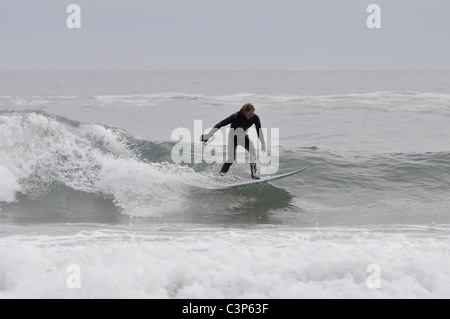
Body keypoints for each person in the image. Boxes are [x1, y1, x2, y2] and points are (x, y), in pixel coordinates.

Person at [201, 103, 266, 179]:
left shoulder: (255, 118)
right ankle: (221, 175)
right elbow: (220, 124)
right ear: (245, 112)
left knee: (253, 152)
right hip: (232, 138)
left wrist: (263, 143)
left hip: (244, 137)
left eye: (253, 114)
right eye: (250, 114)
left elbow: (259, 131)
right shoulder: (236, 116)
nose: (252, 116)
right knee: (231, 159)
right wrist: (209, 135)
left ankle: (254, 174)